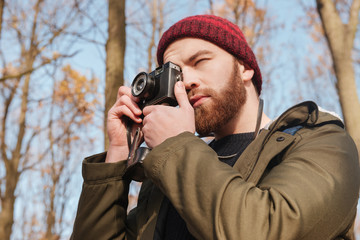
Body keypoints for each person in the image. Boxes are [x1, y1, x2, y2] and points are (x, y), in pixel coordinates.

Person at [71, 15, 360, 240]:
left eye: (201, 61)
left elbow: (268, 230)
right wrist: (118, 155)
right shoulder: (168, 172)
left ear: (245, 68)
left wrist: (178, 146)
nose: (188, 81)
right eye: (178, 74)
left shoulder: (319, 138)